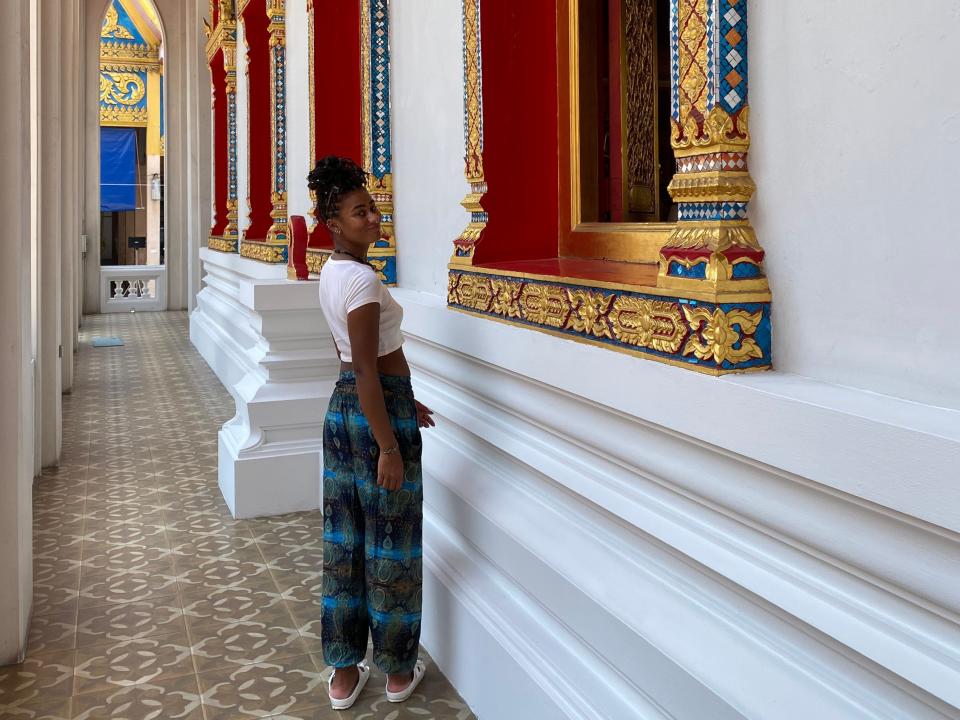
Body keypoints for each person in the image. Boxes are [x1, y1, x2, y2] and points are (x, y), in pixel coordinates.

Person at [309, 155, 436, 710]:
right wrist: (389, 442)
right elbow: (367, 366)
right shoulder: (360, 279)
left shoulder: (332, 272)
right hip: (372, 415)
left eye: (374, 207)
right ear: (334, 222)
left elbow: (358, 363)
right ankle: (396, 671)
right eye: (360, 212)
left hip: (347, 410)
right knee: (392, 541)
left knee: (345, 539)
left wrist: (408, 400)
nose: (374, 217)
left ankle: (342, 672)